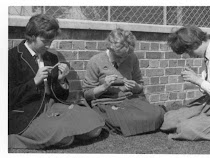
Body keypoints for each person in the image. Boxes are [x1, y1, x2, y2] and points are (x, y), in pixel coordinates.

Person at [8, 14, 104, 149]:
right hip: (27, 113)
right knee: (66, 139)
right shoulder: (11, 58)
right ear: (32, 36)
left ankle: (58, 130)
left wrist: (61, 80)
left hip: (51, 107)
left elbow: (60, 96)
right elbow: (8, 97)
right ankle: (13, 139)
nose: (48, 45)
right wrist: (34, 81)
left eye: (51, 41)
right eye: (45, 41)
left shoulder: (51, 57)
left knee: (95, 125)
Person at [82, 28, 166, 137]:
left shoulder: (132, 58)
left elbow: (140, 86)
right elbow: (87, 94)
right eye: (119, 57)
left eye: (125, 56)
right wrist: (104, 86)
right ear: (110, 49)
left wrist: (135, 87)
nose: (122, 60)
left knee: (157, 114)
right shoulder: (96, 61)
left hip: (130, 100)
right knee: (124, 119)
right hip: (107, 103)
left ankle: (129, 122)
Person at [160, 25, 210, 140]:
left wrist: (198, 80)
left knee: (185, 128)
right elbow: (208, 87)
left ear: (194, 43)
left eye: (187, 51)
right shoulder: (208, 55)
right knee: (170, 119)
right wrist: (196, 79)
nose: (189, 55)